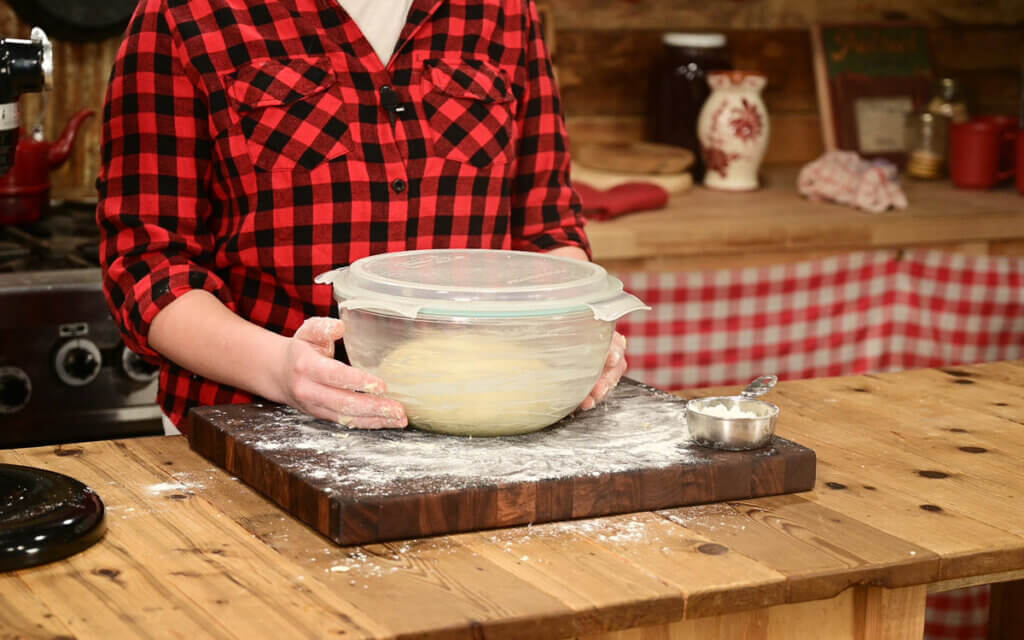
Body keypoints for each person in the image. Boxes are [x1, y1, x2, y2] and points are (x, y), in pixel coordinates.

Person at [97, 0, 627, 434]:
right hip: (248, 423)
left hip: (482, 423)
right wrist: (283, 372)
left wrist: (580, 325)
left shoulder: (504, 12)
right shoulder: (185, 15)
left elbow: (546, 228)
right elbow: (147, 265)